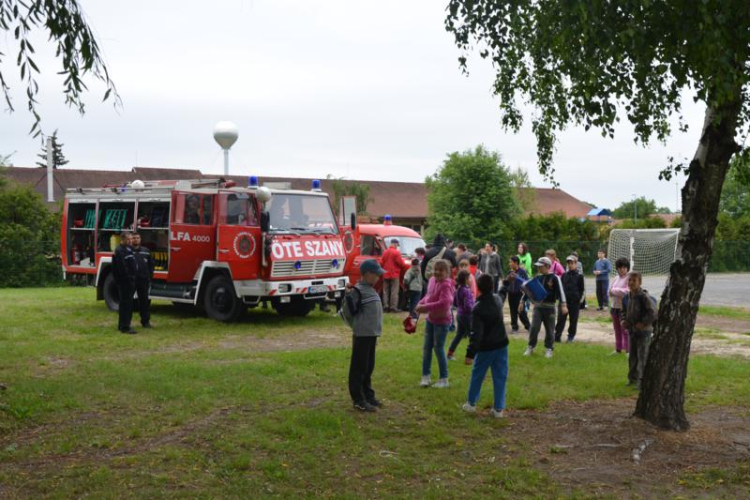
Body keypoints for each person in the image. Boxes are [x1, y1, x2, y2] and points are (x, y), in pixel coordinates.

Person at [462, 273, 510, 418]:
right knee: (500, 376)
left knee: (478, 375)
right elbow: (502, 295)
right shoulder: (497, 300)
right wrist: (506, 283)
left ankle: (471, 404)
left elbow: (476, 334)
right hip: (502, 345)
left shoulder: (478, 308)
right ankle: (498, 409)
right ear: (492, 287)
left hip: (486, 348)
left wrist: (470, 354)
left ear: (479, 288)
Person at [346, 259, 385, 412]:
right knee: (359, 367)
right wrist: (348, 295)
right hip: (362, 334)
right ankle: (358, 399)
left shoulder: (371, 289)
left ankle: (368, 394)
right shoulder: (357, 291)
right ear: (367, 274)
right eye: (376, 275)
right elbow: (349, 312)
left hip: (371, 335)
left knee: (368, 367)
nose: (378, 278)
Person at [416, 259, 455, 388]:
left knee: (438, 349)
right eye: (436, 269)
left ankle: (444, 379)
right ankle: (425, 377)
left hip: (442, 322)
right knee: (427, 348)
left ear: (447, 273)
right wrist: (420, 304)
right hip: (430, 320)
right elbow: (428, 295)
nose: (437, 272)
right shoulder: (432, 280)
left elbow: (445, 304)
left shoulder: (446, 285)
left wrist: (425, 307)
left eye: (441, 270)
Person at [522, 257, 567, 358]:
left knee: (550, 330)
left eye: (540, 266)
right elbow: (529, 290)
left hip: (550, 308)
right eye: (538, 266)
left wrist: (563, 305)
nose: (539, 268)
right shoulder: (537, 277)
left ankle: (549, 349)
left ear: (547, 266)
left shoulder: (555, 278)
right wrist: (522, 302)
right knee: (534, 328)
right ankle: (530, 347)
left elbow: (561, 292)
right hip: (538, 308)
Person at [622, 272, 657, 390]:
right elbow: (623, 311)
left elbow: (652, 312)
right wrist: (623, 321)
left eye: (634, 281)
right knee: (633, 356)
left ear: (639, 282)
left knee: (643, 357)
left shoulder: (644, 296)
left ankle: (643, 381)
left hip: (644, 333)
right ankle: (632, 378)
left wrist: (643, 323)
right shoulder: (627, 296)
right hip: (632, 332)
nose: (631, 283)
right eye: (629, 280)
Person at [112, 232, 138, 334]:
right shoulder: (119, 250)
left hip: (130, 280)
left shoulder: (128, 249)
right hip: (125, 282)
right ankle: (125, 327)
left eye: (131, 239)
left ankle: (123, 324)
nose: (131, 241)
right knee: (125, 304)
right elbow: (121, 267)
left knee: (128, 303)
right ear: (122, 239)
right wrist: (128, 278)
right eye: (128, 239)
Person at [555, 256, 585, 343]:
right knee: (560, 320)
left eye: (572, 263)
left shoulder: (580, 276)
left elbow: (582, 290)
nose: (570, 265)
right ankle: (557, 336)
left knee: (573, 321)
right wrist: (560, 299)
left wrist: (578, 300)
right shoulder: (564, 275)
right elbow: (560, 288)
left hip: (574, 303)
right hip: (563, 302)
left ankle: (571, 336)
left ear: (576, 264)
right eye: (568, 263)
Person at [447, 270, 474, 361]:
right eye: (470, 278)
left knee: (459, 335)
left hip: (459, 314)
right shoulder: (466, 291)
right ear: (466, 279)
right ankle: (471, 356)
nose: (471, 280)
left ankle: (450, 353)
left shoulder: (458, 289)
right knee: (472, 335)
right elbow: (468, 306)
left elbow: (455, 303)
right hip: (467, 316)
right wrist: (473, 309)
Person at [131, 233, 155, 329]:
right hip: (131, 280)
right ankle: (126, 322)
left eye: (138, 238)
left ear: (140, 239)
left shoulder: (146, 251)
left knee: (144, 302)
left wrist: (149, 277)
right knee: (128, 302)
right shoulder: (127, 251)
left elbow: (151, 265)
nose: (136, 240)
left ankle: (145, 322)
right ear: (131, 239)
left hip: (143, 281)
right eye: (134, 238)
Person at [608, 257, 631, 355]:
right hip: (614, 307)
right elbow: (608, 291)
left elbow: (627, 292)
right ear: (617, 268)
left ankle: (628, 350)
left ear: (627, 268)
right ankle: (618, 349)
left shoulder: (629, 278)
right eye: (620, 267)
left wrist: (614, 291)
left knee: (625, 330)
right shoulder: (615, 278)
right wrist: (613, 291)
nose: (622, 269)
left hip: (624, 309)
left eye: (624, 267)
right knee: (617, 329)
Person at [503, 256, 530, 333]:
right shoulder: (509, 272)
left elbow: (527, 282)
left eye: (511, 262)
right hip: (511, 294)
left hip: (519, 294)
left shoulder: (522, 272)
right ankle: (514, 327)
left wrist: (518, 278)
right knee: (512, 311)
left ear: (516, 263)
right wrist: (508, 279)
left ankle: (528, 326)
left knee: (521, 311)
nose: (510, 264)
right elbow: (505, 283)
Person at [380, 238, 407, 312]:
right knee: (394, 291)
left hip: (385, 273)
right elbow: (401, 264)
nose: (397, 246)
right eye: (397, 245)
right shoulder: (396, 252)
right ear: (395, 244)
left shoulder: (385, 252)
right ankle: (393, 307)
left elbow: (381, 262)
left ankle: (385, 306)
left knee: (385, 291)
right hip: (394, 274)